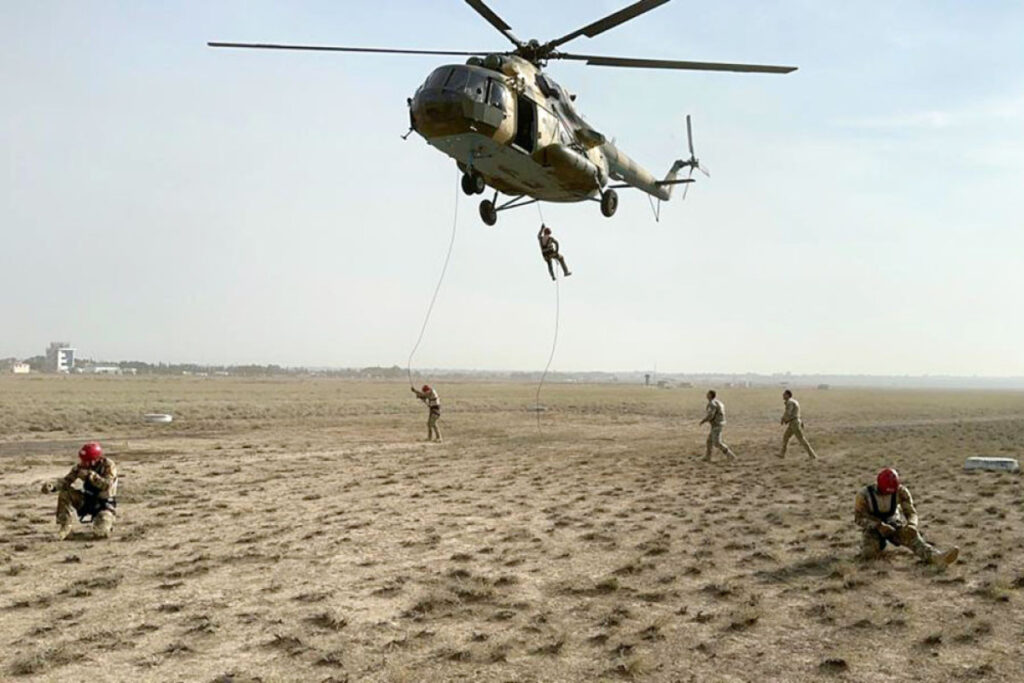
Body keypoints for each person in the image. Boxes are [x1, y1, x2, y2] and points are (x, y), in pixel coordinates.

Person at [854, 467, 958, 567]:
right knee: (868, 554)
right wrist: (879, 526)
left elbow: (911, 512)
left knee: (912, 537)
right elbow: (858, 518)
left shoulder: (901, 491)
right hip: (873, 527)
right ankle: (877, 546)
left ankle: (936, 557)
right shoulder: (864, 495)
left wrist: (912, 525)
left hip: (894, 524)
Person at [45, 442, 118, 540]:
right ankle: (65, 527)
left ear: (95, 459)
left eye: (86, 461)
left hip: (104, 504)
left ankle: (104, 525)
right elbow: (66, 481)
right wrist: (53, 486)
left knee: (101, 534)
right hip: (86, 499)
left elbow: (107, 485)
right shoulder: (81, 467)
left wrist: (91, 476)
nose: (83, 463)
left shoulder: (108, 466)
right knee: (65, 493)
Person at [779, 389, 818, 459]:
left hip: (794, 423)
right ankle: (782, 454)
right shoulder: (794, 401)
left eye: (784, 394)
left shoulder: (789, 402)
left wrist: (783, 419)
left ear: (788, 395)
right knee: (785, 437)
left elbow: (788, 412)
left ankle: (812, 455)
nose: (783, 395)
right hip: (794, 422)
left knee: (801, 439)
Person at [698, 389, 736, 461]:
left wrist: (703, 421)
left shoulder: (712, 404)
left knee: (717, 443)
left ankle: (730, 455)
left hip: (716, 425)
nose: (706, 395)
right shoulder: (718, 402)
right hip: (719, 423)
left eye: (708, 394)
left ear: (710, 395)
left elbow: (711, 415)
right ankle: (707, 457)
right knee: (709, 441)